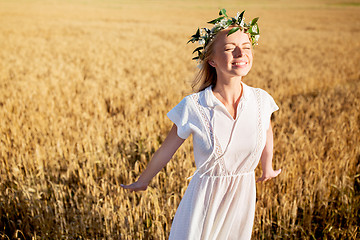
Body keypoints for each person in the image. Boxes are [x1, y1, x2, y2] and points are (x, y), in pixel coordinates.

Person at [121, 9, 281, 240]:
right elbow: (167, 149)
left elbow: (266, 130)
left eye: (246, 46)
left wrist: (267, 166)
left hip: (242, 200)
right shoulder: (194, 106)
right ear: (212, 60)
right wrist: (143, 181)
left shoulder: (261, 100)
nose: (241, 53)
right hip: (204, 202)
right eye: (229, 48)